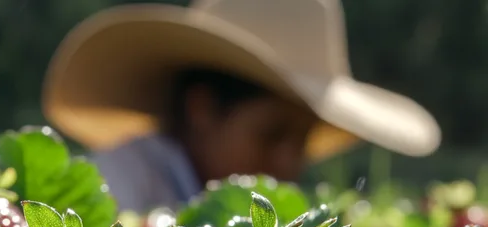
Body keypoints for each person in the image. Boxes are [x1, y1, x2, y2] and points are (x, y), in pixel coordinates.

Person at [40, 0, 441, 214]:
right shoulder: (120, 186)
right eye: (271, 134)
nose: (288, 162)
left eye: (301, 141)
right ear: (202, 109)